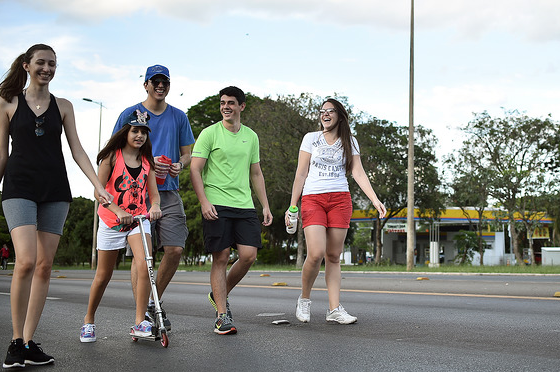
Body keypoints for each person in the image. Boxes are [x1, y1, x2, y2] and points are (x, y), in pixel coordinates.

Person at [0, 44, 112, 369]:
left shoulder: (63, 106)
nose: (47, 68)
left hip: (55, 190)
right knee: (25, 261)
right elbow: (0, 154)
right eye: (41, 62)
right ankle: (14, 341)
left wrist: (98, 185)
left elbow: (77, 149)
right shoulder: (7, 103)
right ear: (26, 65)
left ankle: (27, 342)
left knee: (44, 266)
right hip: (19, 187)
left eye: (52, 64)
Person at [287, 98, 386, 324]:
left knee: (333, 256)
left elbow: (358, 173)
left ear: (340, 115)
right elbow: (301, 173)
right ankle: (304, 299)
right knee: (316, 253)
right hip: (313, 199)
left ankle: (334, 309)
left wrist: (375, 199)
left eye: (330, 111)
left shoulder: (350, 141)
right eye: (322, 111)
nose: (325, 114)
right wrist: (293, 206)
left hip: (340, 199)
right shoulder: (311, 139)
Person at [112, 64, 195, 331]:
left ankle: (151, 303)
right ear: (145, 84)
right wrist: (147, 161)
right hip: (136, 192)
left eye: (164, 82)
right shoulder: (130, 114)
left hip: (168, 191)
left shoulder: (178, 116)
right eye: (155, 81)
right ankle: (142, 317)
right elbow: (114, 150)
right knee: (142, 256)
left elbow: (187, 154)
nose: (160, 86)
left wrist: (179, 165)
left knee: (175, 249)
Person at [190, 86, 272, 335]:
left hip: (244, 204)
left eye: (231, 103)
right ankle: (222, 315)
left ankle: (218, 292)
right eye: (223, 103)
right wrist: (204, 202)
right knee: (221, 256)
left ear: (241, 106)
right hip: (216, 203)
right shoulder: (209, 134)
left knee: (248, 256)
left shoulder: (251, 136)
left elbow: (255, 172)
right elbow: (195, 170)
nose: (226, 107)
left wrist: (265, 205)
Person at [80, 110, 162, 342]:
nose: (139, 136)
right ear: (125, 132)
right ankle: (88, 320)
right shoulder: (111, 158)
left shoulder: (148, 162)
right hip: (111, 220)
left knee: (145, 265)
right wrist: (117, 211)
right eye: (135, 130)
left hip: (138, 220)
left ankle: (139, 321)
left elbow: (154, 196)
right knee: (103, 275)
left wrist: (154, 207)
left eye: (143, 132)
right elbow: (99, 191)